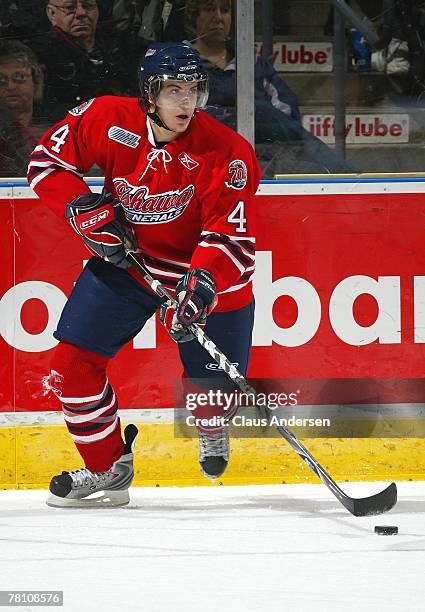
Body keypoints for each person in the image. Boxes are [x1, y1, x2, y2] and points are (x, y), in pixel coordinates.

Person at [28, 42, 261, 508]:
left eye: (195, 89)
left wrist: (201, 287)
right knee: (69, 371)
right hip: (130, 263)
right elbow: (45, 163)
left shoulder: (228, 153)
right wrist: (81, 207)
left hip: (203, 274)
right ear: (148, 93)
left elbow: (230, 237)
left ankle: (212, 422)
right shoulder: (107, 118)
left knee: (211, 390)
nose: (186, 102)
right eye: (174, 89)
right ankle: (107, 469)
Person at [185, 0, 356, 176]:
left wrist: (257, 114)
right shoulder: (179, 61)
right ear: (193, 17)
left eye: (225, 10)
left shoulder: (253, 62)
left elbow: (287, 113)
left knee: (297, 158)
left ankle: (347, 177)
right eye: (209, 9)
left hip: (260, 149)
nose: (218, 18)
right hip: (204, 154)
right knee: (258, 110)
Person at [28, 0, 138, 122]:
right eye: (70, 8)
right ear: (52, 14)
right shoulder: (39, 54)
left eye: (88, 6)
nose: (81, 13)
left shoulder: (122, 44)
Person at [0, 40, 48, 177]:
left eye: (19, 78)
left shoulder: (55, 126)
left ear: (35, 81)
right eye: (1, 80)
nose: (10, 86)